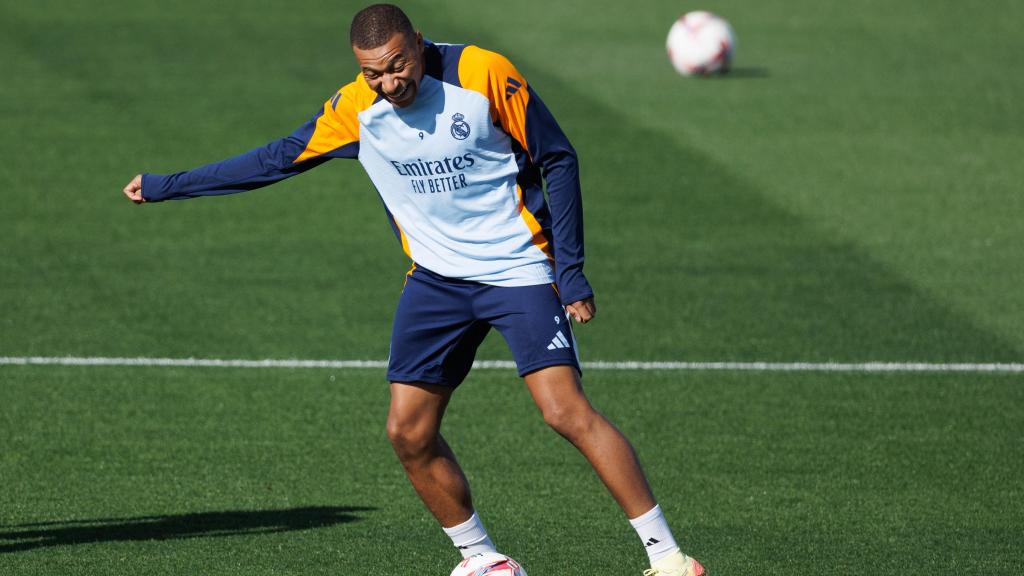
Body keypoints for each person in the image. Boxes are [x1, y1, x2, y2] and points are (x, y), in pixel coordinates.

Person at [121, 4, 704, 575]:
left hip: (518, 269)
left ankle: (668, 557)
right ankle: (483, 558)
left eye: (397, 65)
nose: (388, 82)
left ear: (417, 43)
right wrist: (168, 186)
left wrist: (570, 271)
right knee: (408, 431)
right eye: (373, 72)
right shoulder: (356, 109)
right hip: (435, 282)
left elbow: (558, 157)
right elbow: (274, 160)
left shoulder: (482, 73)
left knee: (564, 412)